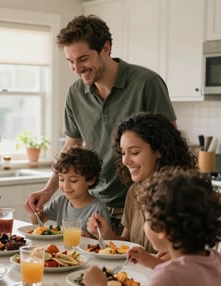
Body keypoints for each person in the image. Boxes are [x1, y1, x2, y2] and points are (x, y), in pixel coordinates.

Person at [25, 14, 176, 233]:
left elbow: (170, 147)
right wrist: (49, 191)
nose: (76, 68)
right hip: (94, 209)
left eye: (83, 59)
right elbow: (71, 147)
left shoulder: (146, 83)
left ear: (106, 48)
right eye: (70, 61)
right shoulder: (75, 93)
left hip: (140, 208)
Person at [83, 168, 221, 286]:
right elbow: (189, 277)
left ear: (162, 229)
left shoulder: (169, 277)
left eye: (147, 220)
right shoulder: (215, 259)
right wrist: (151, 261)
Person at [87, 113, 197, 257]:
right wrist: (106, 234)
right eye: (123, 152)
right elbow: (127, 243)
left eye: (134, 152)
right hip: (135, 275)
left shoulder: (181, 195)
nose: (125, 160)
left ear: (159, 151)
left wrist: (178, 255)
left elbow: (196, 254)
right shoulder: (134, 191)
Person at [29, 147, 111, 236]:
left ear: (90, 180)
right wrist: (36, 210)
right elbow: (37, 221)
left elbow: (107, 244)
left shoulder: (98, 210)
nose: (66, 186)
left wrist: (88, 239)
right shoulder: (61, 201)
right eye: (61, 179)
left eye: (73, 180)